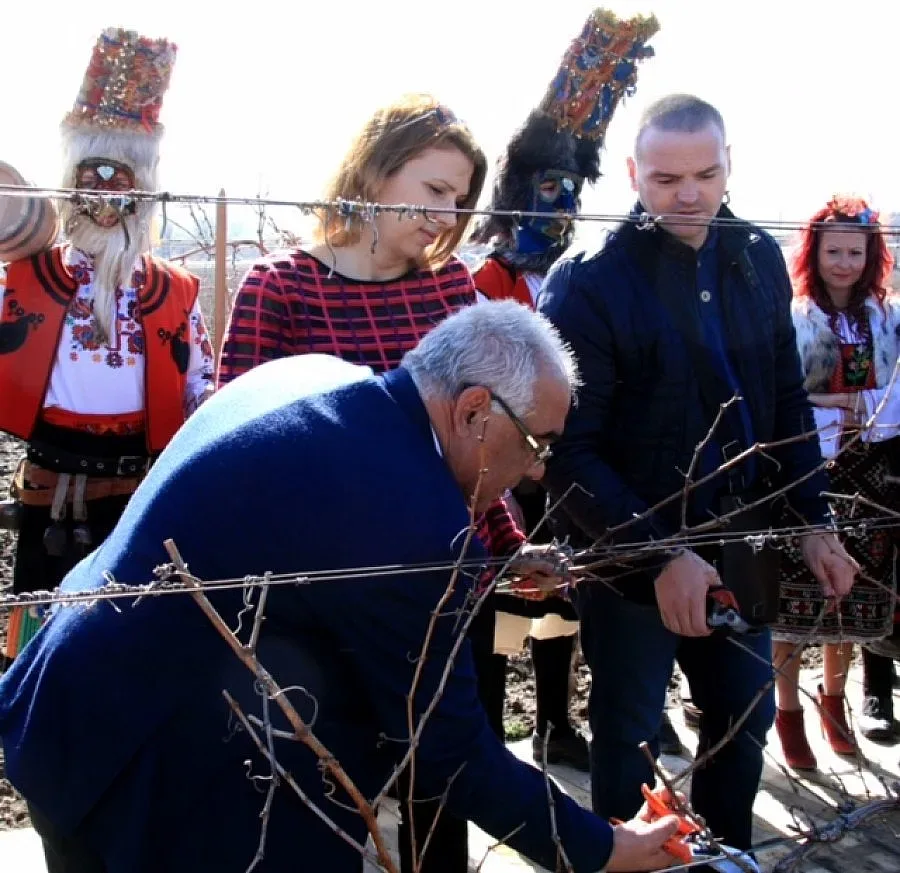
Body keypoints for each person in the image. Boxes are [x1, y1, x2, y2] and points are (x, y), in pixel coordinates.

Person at [0, 302, 683, 873]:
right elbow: (450, 751)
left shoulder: (321, 380)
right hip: (145, 785)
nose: (538, 472)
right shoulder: (411, 518)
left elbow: (315, 545)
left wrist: (483, 570)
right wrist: (605, 846)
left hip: (70, 711)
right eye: (538, 443)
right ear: (476, 410)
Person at [218, 92, 567, 873]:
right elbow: (236, 448)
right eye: (434, 189)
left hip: (448, 582)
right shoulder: (280, 290)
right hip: (319, 603)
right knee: (317, 794)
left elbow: (486, 446)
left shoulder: (452, 294)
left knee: (441, 790)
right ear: (375, 172)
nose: (447, 215)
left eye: (461, 199)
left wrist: (510, 548)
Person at [538, 93, 859, 852]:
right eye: (664, 178)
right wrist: (658, 554)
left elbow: (784, 402)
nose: (687, 194)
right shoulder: (587, 281)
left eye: (704, 175)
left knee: (740, 728)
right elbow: (567, 451)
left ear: (727, 166)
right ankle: (629, 864)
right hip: (626, 562)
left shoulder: (755, 259)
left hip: (742, 540)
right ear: (631, 173)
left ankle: (724, 860)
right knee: (629, 734)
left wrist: (812, 518)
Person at [469, 6, 660, 767]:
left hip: (568, 473)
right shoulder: (480, 279)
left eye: (574, 188)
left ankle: (554, 719)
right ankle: (488, 730)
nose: (563, 204)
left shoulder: (581, 281)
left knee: (559, 601)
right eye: (549, 186)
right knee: (500, 610)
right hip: (502, 475)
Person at [0, 28, 213, 667]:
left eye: (119, 182)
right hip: (52, 470)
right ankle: (33, 724)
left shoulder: (172, 289)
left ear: (141, 192)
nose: (103, 197)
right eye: (89, 178)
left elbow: (200, 381)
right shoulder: (30, 279)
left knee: (128, 621)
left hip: (138, 476)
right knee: (42, 615)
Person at [772, 195, 900, 768]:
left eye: (855, 251)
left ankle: (834, 702)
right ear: (814, 252)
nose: (844, 263)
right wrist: (836, 399)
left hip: (870, 467)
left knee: (848, 592)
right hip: (810, 466)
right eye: (834, 251)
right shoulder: (795, 315)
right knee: (792, 595)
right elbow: (781, 393)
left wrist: (861, 405)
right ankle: (787, 713)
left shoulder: (886, 316)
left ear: (871, 255)